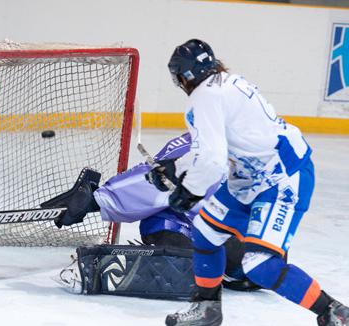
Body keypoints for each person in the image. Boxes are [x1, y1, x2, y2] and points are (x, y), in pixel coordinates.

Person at [141, 39, 349, 326]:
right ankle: (207, 309)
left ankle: (334, 312)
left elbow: (213, 160)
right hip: (254, 175)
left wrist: (189, 192)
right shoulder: (227, 82)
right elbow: (217, 147)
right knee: (204, 231)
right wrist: (176, 167)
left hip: (282, 179)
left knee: (259, 264)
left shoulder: (203, 97)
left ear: (184, 76)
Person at [42, 132, 260, 294]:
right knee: (181, 271)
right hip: (175, 222)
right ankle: (103, 264)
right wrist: (94, 200)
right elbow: (153, 181)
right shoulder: (197, 146)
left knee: (257, 265)